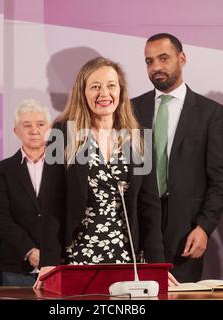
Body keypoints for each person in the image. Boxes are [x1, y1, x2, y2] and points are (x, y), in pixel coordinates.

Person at [34, 57, 177, 289]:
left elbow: (150, 206)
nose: (104, 93)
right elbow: (51, 205)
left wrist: (157, 266)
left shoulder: (139, 137)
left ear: (121, 90)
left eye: (111, 85)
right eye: (95, 86)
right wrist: (48, 263)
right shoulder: (61, 135)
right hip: (78, 257)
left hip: (127, 259)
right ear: (83, 92)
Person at [131, 33, 223, 282]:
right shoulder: (131, 109)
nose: (156, 67)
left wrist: (205, 228)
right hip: (138, 230)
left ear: (182, 58)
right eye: (149, 61)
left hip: (186, 232)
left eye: (163, 58)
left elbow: (219, 179)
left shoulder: (211, 113)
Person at [0, 99, 51, 286]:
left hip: (56, 263)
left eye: (40, 124)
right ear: (16, 131)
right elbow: (1, 216)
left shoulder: (64, 167)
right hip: (16, 264)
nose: (34, 130)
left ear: (49, 129)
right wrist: (29, 250)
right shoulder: (4, 169)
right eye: (27, 125)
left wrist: (50, 252)